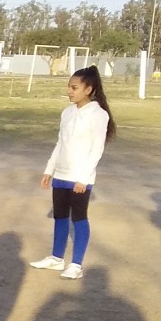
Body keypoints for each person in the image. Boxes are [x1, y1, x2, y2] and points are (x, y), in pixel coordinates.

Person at [30, 65, 115, 280]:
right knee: (60, 217)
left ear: (89, 89)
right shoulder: (67, 113)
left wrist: (83, 178)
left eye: (74, 87)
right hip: (61, 175)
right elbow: (61, 143)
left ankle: (76, 265)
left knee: (78, 218)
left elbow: (97, 149)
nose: (69, 91)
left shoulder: (98, 115)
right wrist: (49, 170)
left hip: (80, 177)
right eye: (69, 87)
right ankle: (57, 259)